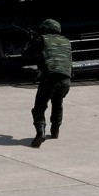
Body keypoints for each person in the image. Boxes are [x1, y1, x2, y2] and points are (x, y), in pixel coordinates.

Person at [26, 19, 72, 148]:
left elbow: (26, 54)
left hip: (50, 79)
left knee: (39, 108)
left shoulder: (42, 40)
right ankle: (55, 131)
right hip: (66, 80)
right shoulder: (67, 41)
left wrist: (30, 41)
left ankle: (40, 133)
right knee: (57, 104)